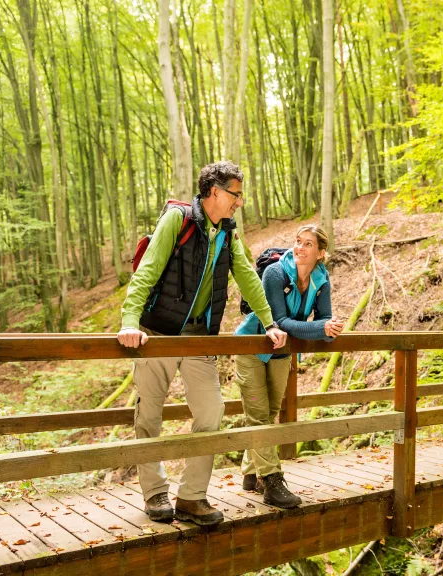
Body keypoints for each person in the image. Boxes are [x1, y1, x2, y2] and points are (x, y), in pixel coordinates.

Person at [116, 161, 288, 526]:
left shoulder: (228, 232)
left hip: (199, 336)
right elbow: (146, 272)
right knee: (149, 416)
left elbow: (247, 277)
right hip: (158, 333)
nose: (240, 202)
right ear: (214, 192)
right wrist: (130, 322)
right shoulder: (177, 221)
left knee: (211, 413)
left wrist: (270, 322)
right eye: (235, 195)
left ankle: (191, 497)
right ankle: (154, 492)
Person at [233, 225, 345, 508]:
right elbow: (280, 321)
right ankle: (271, 482)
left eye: (308, 244)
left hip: (282, 353)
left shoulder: (321, 279)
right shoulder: (275, 273)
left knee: (269, 413)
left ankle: (250, 473)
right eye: (298, 242)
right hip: (252, 347)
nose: (299, 248)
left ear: (320, 253)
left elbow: (325, 317)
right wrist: (321, 328)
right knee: (258, 415)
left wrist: (328, 328)